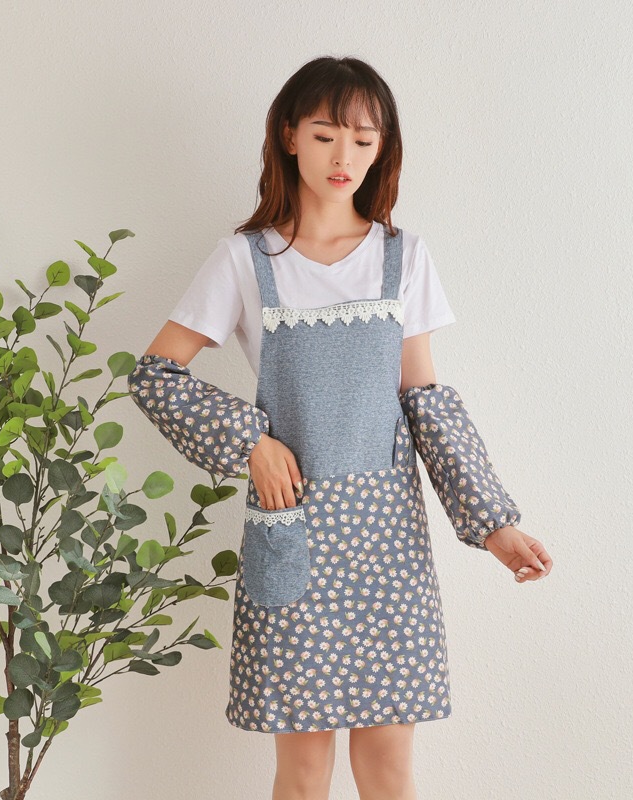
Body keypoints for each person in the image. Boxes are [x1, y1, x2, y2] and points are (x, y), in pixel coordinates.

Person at [128, 55, 553, 800]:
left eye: (363, 139)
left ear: (382, 148)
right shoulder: (244, 260)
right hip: (294, 529)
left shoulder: (402, 257)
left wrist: (494, 524)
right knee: (302, 771)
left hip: (388, 547)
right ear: (290, 136)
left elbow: (425, 402)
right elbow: (155, 375)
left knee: (388, 767)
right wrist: (251, 443)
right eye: (326, 135)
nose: (344, 156)